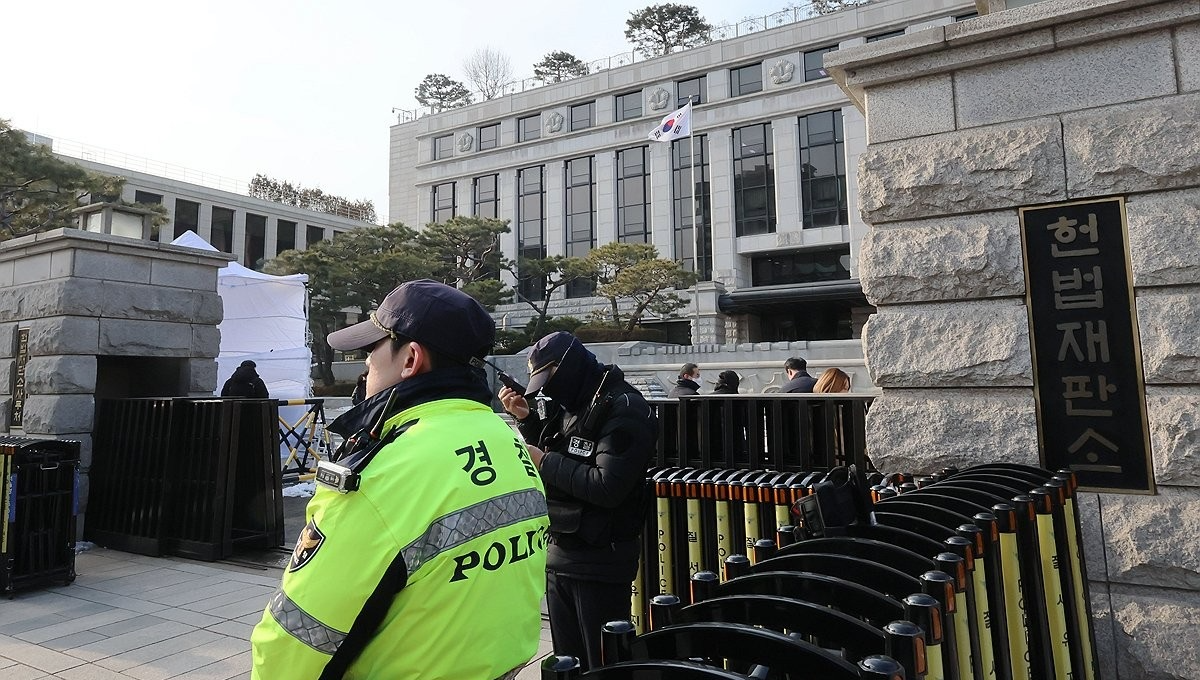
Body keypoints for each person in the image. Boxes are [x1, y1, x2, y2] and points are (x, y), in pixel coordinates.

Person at [251, 279, 550, 680]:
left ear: (410, 359)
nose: (365, 365)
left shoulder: (388, 471)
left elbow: (296, 640)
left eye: (371, 350)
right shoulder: (507, 441)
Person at [497, 331, 656, 671]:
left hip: (602, 558)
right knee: (567, 662)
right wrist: (527, 420)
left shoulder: (624, 407)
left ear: (567, 366)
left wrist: (543, 462)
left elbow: (607, 486)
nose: (547, 389)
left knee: (602, 662)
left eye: (548, 378)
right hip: (560, 553)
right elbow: (560, 448)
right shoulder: (576, 405)